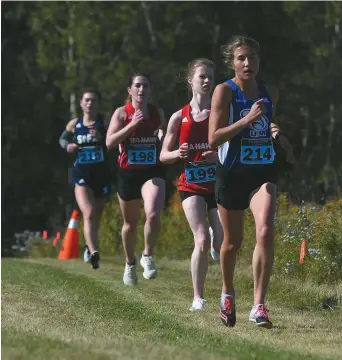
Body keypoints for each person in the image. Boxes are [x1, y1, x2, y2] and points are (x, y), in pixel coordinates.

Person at [208, 35, 295, 328]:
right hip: (232, 173)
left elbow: (265, 121)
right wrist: (246, 120)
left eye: (253, 58)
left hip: (261, 172)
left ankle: (258, 305)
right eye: (241, 58)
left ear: (259, 61)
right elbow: (213, 138)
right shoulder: (224, 92)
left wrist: (273, 131)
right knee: (232, 243)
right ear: (232, 63)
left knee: (266, 229)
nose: (248, 63)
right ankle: (228, 293)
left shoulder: (271, 92)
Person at [160, 58, 223, 311]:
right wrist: (178, 153)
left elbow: (235, 149)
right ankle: (198, 297)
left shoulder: (221, 114)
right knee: (201, 240)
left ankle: (213, 235)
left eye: (210, 77)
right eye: (202, 77)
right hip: (191, 185)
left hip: (218, 184)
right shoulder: (179, 117)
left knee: (221, 240)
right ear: (191, 81)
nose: (207, 81)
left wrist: (217, 156)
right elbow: (163, 155)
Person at [106, 72, 166, 286]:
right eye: (138, 86)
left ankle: (147, 255)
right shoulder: (122, 113)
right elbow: (110, 142)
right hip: (128, 172)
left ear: (150, 91)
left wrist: (162, 136)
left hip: (152, 171)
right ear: (130, 90)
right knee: (130, 224)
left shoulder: (156, 112)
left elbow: (165, 137)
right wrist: (131, 126)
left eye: (146, 86)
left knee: (152, 213)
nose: (142, 90)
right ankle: (130, 263)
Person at [59, 88, 111, 270]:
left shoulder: (104, 122)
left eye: (94, 100)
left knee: (96, 216)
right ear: (81, 103)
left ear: (98, 104)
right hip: (81, 174)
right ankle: (94, 251)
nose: (90, 103)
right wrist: (68, 146)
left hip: (101, 175)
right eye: (87, 100)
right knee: (88, 213)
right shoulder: (75, 124)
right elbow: (62, 139)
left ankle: (88, 246)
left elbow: (115, 142)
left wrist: (102, 137)